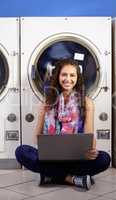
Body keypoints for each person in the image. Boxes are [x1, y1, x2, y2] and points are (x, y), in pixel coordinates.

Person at [15, 58, 110, 190]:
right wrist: (47, 148)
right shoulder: (46, 103)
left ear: (78, 78)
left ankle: (51, 175)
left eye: (72, 75)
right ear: (58, 76)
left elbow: (89, 134)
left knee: (104, 158)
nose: (68, 79)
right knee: (21, 151)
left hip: (77, 159)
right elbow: (37, 136)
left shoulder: (86, 102)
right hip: (51, 159)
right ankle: (72, 179)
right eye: (64, 74)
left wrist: (91, 151)